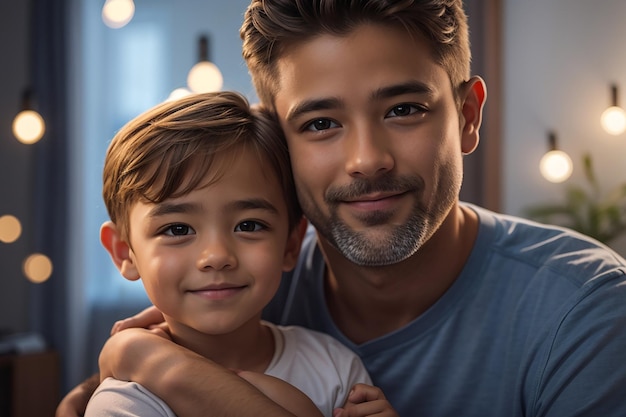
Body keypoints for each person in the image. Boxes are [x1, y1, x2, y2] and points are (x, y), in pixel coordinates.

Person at [59, 0, 626, 416]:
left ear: (468, 116)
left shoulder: (584, 312)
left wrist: (153, 360)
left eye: (404, 109)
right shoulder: (242, 279)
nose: (366, 159)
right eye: (321, 124)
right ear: (279, 142)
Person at [81, 91, 385, 417]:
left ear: (290, 244)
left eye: (249, 225)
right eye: (178, 230)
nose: (216, 256)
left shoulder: (335, 369)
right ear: (124, 252)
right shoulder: (124, 405)